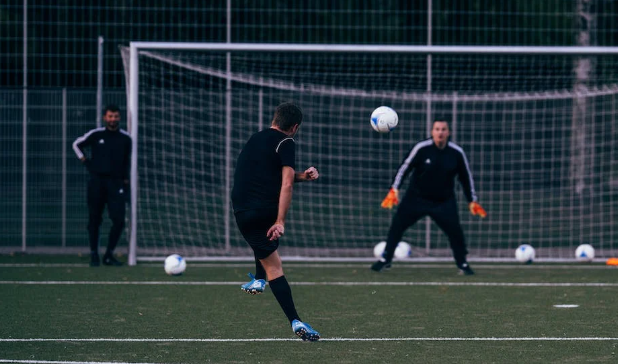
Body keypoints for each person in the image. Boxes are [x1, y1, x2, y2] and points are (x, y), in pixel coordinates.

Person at [231, 102, 321, 341]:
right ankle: (295, 320)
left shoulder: (255, 138)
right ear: (294, 127)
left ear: (274, 118)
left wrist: (303, 175)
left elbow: (273, 175)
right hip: (264, 209)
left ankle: (259, 280)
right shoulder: (287, 141)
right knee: (275, 266)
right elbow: (286, 184)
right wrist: (280, 220)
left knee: (262, 240)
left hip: (241, 210)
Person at [371, 118, 487, 275]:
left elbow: (466, 177)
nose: (440, 132)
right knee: (397, 226)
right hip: (416, 199)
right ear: (432, 132)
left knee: (455, 232)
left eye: (443, 129)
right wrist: (394, 189)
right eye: (437, 129)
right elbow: (405, 167)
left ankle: (463, 264)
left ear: (448, 133)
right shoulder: (422, 148)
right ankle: (385, 260)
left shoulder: (456, 153)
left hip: (443, 202)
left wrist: (472, 200)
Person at [72, 104, 131, 267]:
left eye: (116, 116)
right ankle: (94, 254)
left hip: (116, 184)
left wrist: (125, 182)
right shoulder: (96, 134)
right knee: (94, 219)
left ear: (119, 118)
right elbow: (76, 145)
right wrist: (86, 162)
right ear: (105, 118)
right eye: (110, 116)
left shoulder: (125, 138)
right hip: (97, 183)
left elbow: (127, 162)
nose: (113, 119)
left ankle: (109, 254)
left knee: (118, 220)